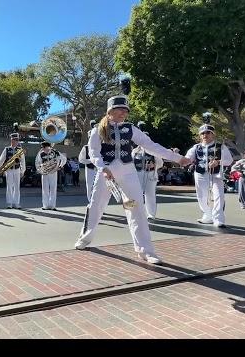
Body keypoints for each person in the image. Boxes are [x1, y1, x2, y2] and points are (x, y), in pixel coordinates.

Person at [75, 80, 191, 264]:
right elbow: (94, 152)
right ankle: (85, 238)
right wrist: (102, 167)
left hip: (128, 173)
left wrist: (177, 158)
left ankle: (145, 250)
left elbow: (151, 146)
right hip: (106, 173)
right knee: (96, 207)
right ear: (110, 111)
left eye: (126, 110)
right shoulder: (98, 130)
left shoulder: (131, 129)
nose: (124, 112)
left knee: (136, 209)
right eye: (120, 109)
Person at [184, 114, 233, 227]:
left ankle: (218, 219)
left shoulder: (220, 146)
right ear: (200, 136)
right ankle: (207, 215)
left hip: (215, 174)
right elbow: (188, 159)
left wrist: (218, 162)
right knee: (202, 196)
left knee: (218, 196)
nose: (205, 135)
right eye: (202, 133)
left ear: (212, 134)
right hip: (200, 174)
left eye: (207, 133)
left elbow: (229, 160)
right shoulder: (196, 147)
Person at [132, 122, 164, 220]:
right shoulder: (135, 151)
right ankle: (137, 213)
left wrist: (154, 165)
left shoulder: (153, 151)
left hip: (150, 174)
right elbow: (130, 163)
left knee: (150, 194)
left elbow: (160, 163)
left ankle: (151, 214)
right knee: (136, 194)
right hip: (137, 174)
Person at [0, 125, 26, 209]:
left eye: (17, 140)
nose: (15, 141)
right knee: (9, 186)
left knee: (17, 187)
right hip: (8, 170)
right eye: (14, 140)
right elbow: (1, 160)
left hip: (17, 169)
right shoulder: (7, 149)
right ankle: (9, 203)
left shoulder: (20, 150)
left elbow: (23, 161)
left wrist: (23, 171)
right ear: (11, 140)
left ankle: (16, 203)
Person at [35, 140, 66, 210]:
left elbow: (64, 159)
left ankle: (52, 205)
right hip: (44, 173)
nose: (42, 149)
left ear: (47, 147)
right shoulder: (41, 153)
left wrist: (60, 166)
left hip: (53, 172)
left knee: (53, 189)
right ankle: (45, 205)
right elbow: (37, 162)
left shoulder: (55, 152)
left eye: (43, 147)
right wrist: (39, 169)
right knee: (45, 189)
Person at [78, 120, 98, 201]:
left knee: (98, 187)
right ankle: (91, 202)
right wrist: (91, 160)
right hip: (89, 169)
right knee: (90, 186)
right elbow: (81, 159)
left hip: (98, 169)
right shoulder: (85, 147)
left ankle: (97, 203)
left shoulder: (99, 147)